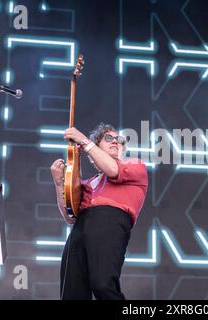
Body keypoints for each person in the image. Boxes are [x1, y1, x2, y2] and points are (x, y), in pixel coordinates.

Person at [50, 123, 148, 300]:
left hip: (109, 223)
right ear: (98, 145)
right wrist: (58, 183)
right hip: (80, 229)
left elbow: (112, 169)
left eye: (119, 140)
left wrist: (84, 140)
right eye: (108, 138)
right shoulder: (88, 183)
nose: (115, 142)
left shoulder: (135, 166)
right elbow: (70, 216)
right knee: (71, 291)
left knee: (103, 285)